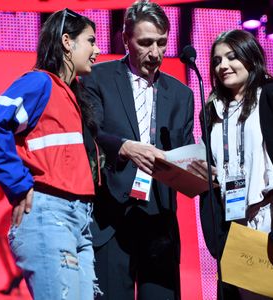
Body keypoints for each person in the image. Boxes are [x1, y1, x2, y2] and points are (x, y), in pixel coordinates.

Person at [81, 1, 194, 299]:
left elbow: (184, 148)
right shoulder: (97, 77)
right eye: (145, 43)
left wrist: (198, 167)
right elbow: (89, 133)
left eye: (161, 43)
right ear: (125, 39)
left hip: (159, 223)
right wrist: (125, 147)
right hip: (111, 220)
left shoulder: (182, 94)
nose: (155, 53)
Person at [0, 8, 102, 300]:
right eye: (90, 41)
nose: (97, 50)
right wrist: (17, 183)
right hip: (50, 216)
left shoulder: (73, 94)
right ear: (67, 41)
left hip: (79, 223)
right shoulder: (40, 83)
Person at [190, 29, 273, 299]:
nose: (223, 66)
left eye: (231, 57)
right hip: (235, 227)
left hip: (272, 220)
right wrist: (216, 235)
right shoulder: (212, 112)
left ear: (250, 56)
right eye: (217, 60)